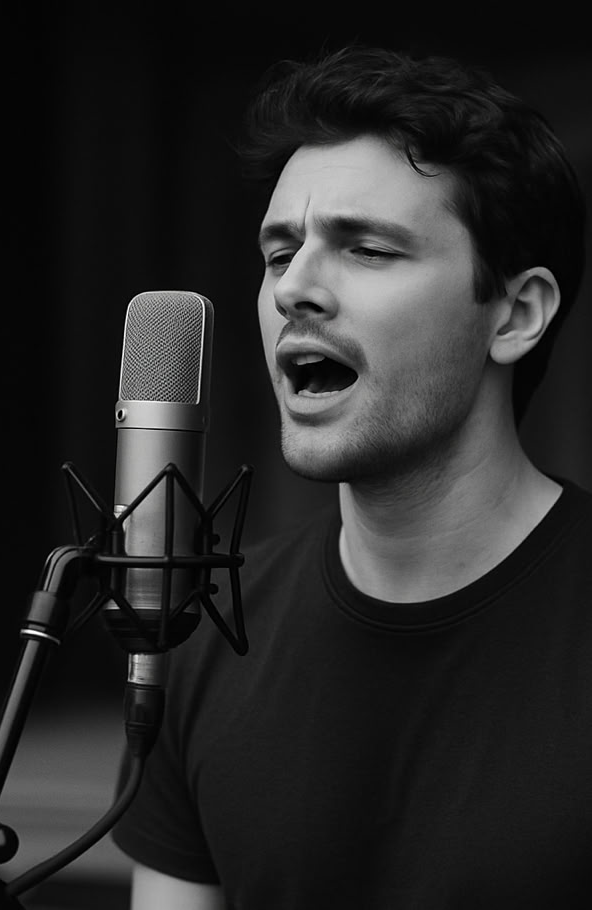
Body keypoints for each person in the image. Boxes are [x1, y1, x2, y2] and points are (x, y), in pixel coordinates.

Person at [110, 45, 592, 908]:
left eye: (365, 249)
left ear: (515, 315)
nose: (297, 287)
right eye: (278, 252)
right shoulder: (203, 637)